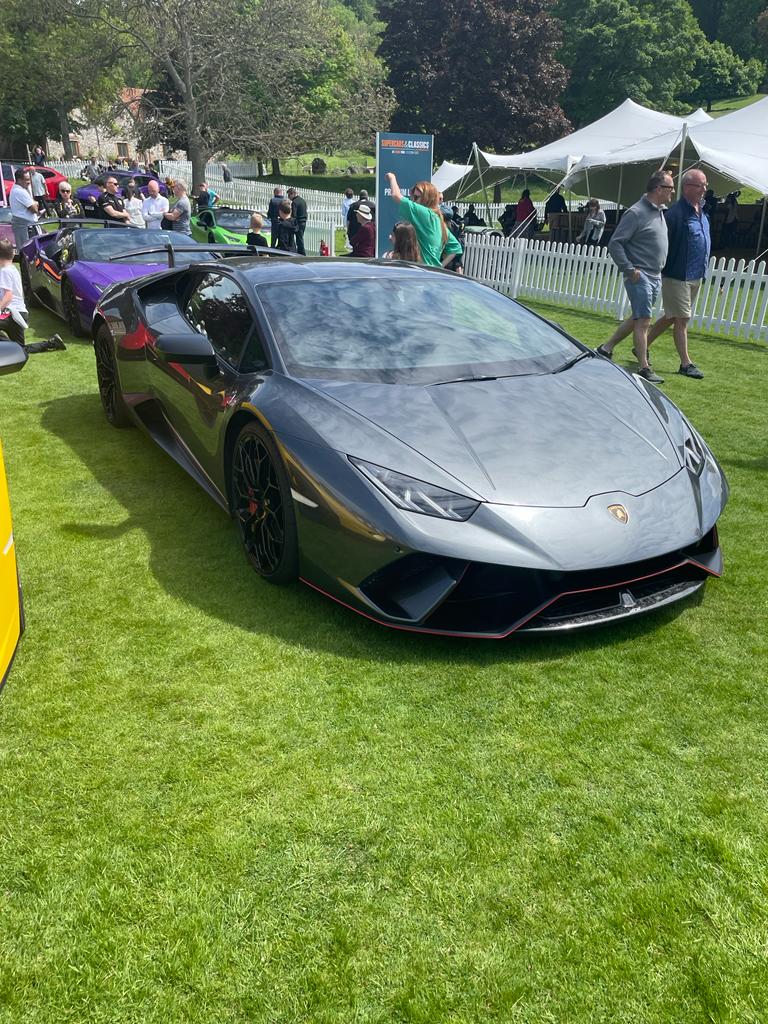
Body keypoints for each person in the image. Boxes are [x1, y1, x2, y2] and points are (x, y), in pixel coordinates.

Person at [596, 170, 673, 382]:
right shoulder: (636, 212)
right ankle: (644, 367)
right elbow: (615, 243)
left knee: (638, 316)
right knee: (644, 320)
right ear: (658, 189)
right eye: (670, 188)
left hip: (654, 274)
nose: (673, 192)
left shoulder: (659, 211)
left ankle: (606, 348)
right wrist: (629, 270)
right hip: (640, 275)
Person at [643, 169, 710, 380]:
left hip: (696, 273)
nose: (704, 189)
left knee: (671, 317)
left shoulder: (702, 211)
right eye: (700, 185)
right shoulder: (674, 215)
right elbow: (662, 244)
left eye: (705, 185)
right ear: (687, 187)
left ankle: (641, 346)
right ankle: (685, 363)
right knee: (682, 319)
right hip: (676, 274)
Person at [384, 172, 462, 269]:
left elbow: (396, 195)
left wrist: (392, 177)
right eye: (413, 196)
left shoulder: (424, 213)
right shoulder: (437, 219)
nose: (413, 200)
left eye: (416, 197)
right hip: (431, 272)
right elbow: (455, 248)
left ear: (427, 198)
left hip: (421, 270)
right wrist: (439, 267)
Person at [0, 239, 65, 352]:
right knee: (20, 350)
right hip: (20, 314)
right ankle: (51, 343)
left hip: (11, 313)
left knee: (17, 349)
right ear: (13, 253)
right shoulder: (13, 270)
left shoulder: (5, 271)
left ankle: (9, 347)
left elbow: (8, 296)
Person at [9, 168, 40, 252]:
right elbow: (35, 209)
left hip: (23, 224)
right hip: (25, 226)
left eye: (29, 179)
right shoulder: (20, 191)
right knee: (28, 251)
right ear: (19, 180)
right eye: (26, 180)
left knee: (26, 251)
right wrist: (35, 203)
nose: (29, 182)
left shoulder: (17, 190)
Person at [286, 187, 307, 255]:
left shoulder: (294, 202)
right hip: (304, 221)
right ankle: (300, 252)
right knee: (300, 238)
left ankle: (302, 253)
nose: (288, 197)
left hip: (298, 222)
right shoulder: (302, 200)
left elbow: (294, 215)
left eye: (289, 195)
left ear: (293, 194)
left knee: (299, 240)